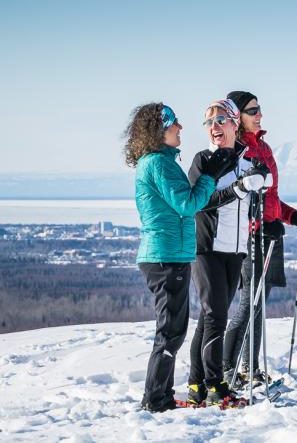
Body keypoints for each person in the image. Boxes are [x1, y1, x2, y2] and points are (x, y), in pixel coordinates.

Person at [123, 102, 239, 412]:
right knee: (171, 330)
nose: (180, 128)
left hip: (167, 253)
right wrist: (210, 176)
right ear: (159, 130)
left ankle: (159, 396)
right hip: (165, 255)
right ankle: (156, 399)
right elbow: (188, 205)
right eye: (174, 123)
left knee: (172, 328)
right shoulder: (159, 164)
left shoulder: (158, 162)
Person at [222, 90, 297, 385]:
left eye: (259, 109)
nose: (260, 114)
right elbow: (236, 201)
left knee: (259, 304)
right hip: (251, 238)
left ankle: (250, 369)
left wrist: (294, 217)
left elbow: (271, 198)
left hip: (270, 234)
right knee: (248, 304)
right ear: (237, 117)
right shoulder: (236, 151)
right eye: (253, 110)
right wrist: (262, 224)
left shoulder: (262, 147)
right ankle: (226, 371)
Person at [185, 99, 269, 406]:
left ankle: (196, 384)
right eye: (209, 122)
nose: (214, 127)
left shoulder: (245, 163)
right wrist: (238, 188)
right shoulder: (202, 160)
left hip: (235, 251)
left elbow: (254, 199)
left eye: (221, 120)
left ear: (235, 123)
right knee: (216, 315)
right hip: (206, 248)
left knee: (209, 318)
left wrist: (259, 184)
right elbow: (200, 200)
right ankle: (215, 381)